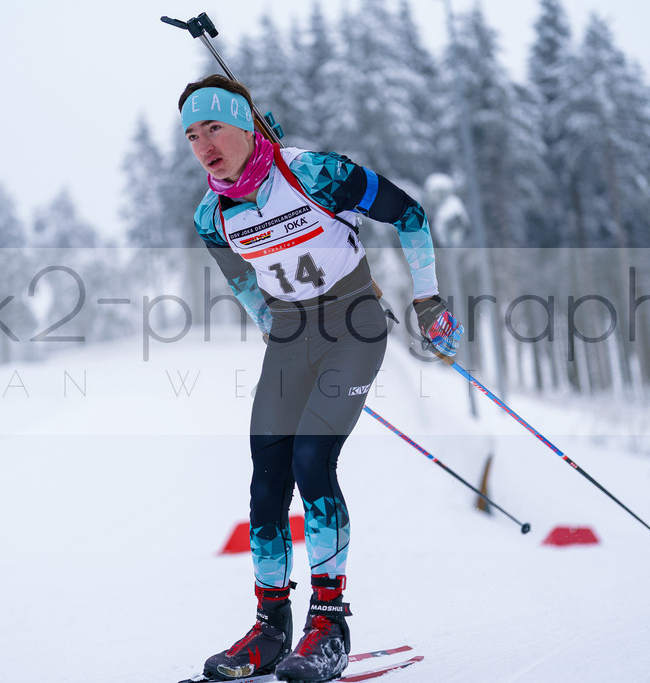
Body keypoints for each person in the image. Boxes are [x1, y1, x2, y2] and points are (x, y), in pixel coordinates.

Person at [178, 74, 463, 682]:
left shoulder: (315, 174)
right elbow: (241, 281)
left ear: (247, 123)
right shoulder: (212, 214)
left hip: (354, 321)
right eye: (192, 135)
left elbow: (408, 212)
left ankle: (329, 625)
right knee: (266, 477)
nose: (204, 144)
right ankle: (270, 629)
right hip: (289, 335)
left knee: (312, 461)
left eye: (215, 127)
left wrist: (429, 301)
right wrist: (272, 326)